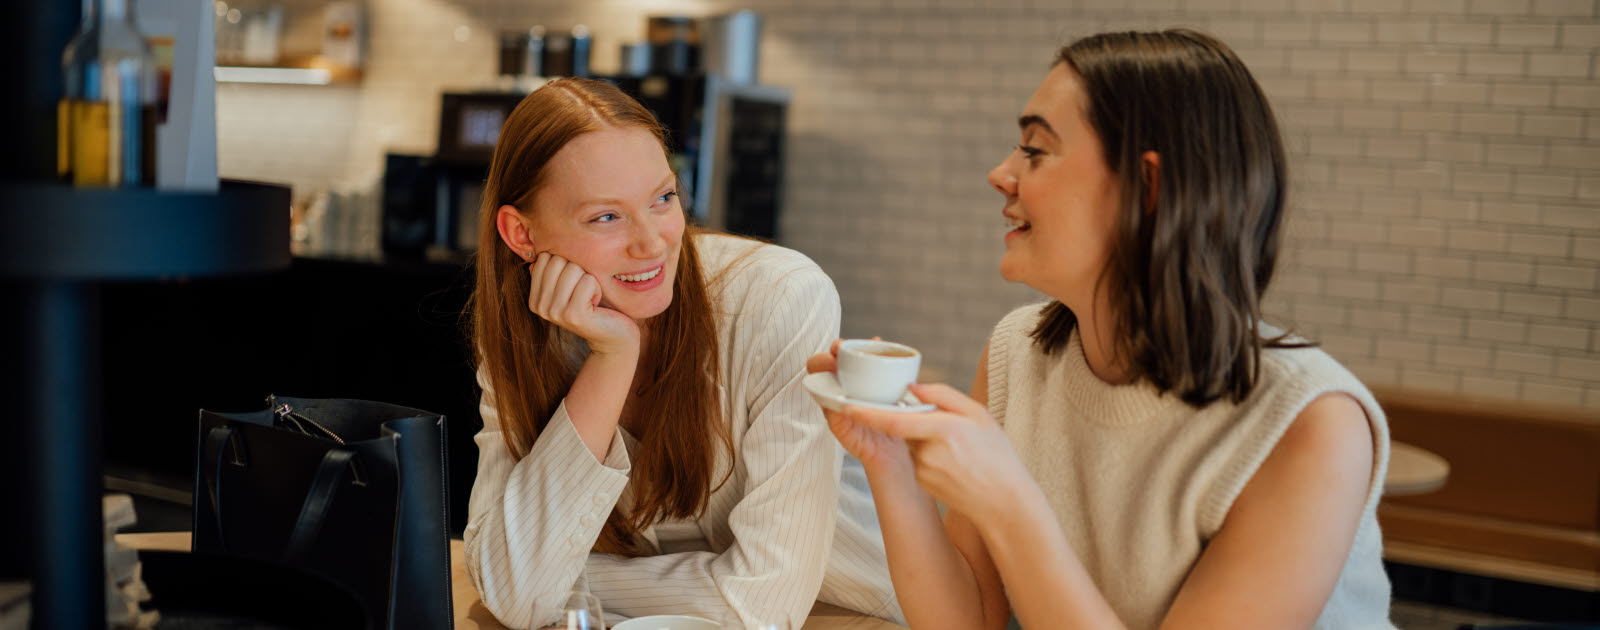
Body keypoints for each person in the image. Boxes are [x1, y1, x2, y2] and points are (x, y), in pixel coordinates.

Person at [809, 30, 1396, 630]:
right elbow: (968, 622)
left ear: (1147, 187)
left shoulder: (1310, 424)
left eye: (1035, 150)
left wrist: (1009, 502)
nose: (1000, 174)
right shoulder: (1017, 351)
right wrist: (887, 462)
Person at [463, 78, 901, 629]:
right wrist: (611, 357)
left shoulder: (780, 299)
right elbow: (517, 594)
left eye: (663, 199)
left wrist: (558, 579)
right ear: (521, 233)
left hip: (846, 617)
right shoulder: (522, 331)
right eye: (606, 217)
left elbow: (761, 606)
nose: (652, 243)